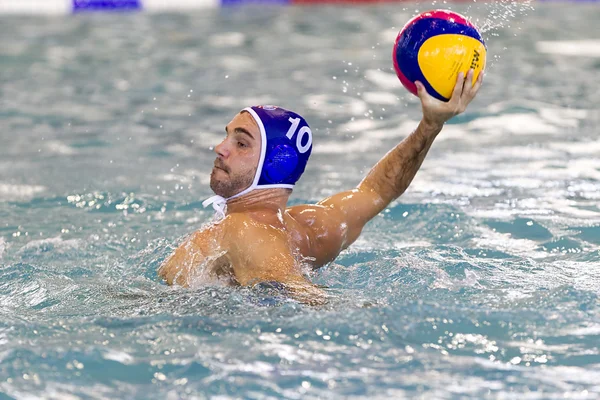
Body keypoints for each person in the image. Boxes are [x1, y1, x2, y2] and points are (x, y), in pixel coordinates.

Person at [158, 70, 483, 303]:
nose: (220, 147)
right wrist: (430, 125)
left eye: (240, 143)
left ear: (276, 163)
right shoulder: (312, 226)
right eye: (227, 134)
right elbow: (377, 191)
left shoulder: (245, 229)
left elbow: (296, 290)